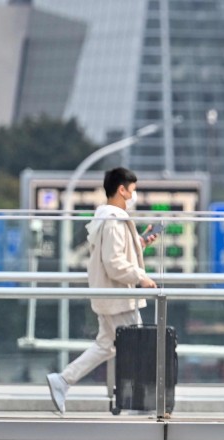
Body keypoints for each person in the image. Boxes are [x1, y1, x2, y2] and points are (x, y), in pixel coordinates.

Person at [46, 167, 158, 414]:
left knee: (107, 345)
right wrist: (141, 277)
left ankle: (63, 381)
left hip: (110, 296)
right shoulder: (115, 220)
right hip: (119, 297)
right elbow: (115, 263)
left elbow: (113, 254)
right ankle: (137, 403)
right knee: (136, 347)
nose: (134, 195)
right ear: (122, 190)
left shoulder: (106, 218)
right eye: (133, 190)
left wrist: (140, 243)